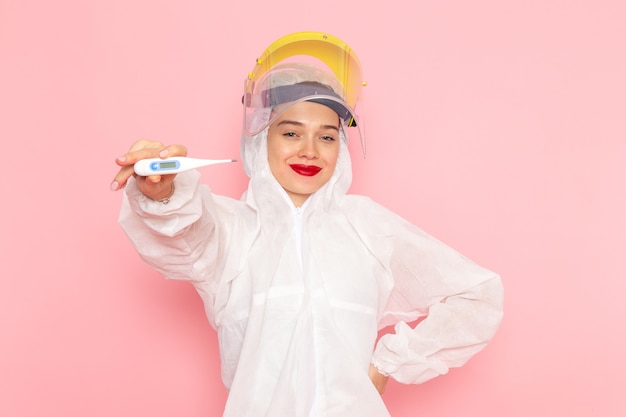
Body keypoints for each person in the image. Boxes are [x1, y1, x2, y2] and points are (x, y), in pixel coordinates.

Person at [110, 31, 504, 417]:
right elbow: (182, 236)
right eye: (291, 132)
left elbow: (478, 294)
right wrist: (161, 194)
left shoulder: (367, 226)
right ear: (260, 140)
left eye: (327, 137)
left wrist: (387, 365)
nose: (310, 151)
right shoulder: (231, 230)